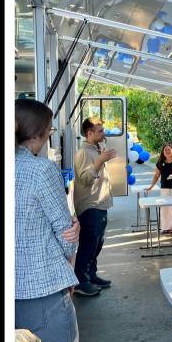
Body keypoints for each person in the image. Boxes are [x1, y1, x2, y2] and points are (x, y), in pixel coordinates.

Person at [15, 99, 82, 342]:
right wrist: (67, 265)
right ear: (37, 134)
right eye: (50, 129)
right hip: (43, 288)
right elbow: (66, 232)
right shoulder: (41, 170)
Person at [72, 117, 116, 297]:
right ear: (89, 133)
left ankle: (91, 275)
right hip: (90, 206)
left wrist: (101, 158)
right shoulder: (84, 152)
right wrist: (99, 161)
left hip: (99, 204)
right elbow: (85, 179)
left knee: (97, 243)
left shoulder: (95, 150)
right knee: (88, 245)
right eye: (100, 131)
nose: (103, 133)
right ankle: (81, 282)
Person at [144, 143, 172, 235]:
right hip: (165, 188)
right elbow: (156, 175)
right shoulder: (160, 162)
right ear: (163, 152)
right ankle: (165, 227)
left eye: (169, 149)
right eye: (165, 150)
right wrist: (151, 186)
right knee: (165, 209)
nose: (167, 151)